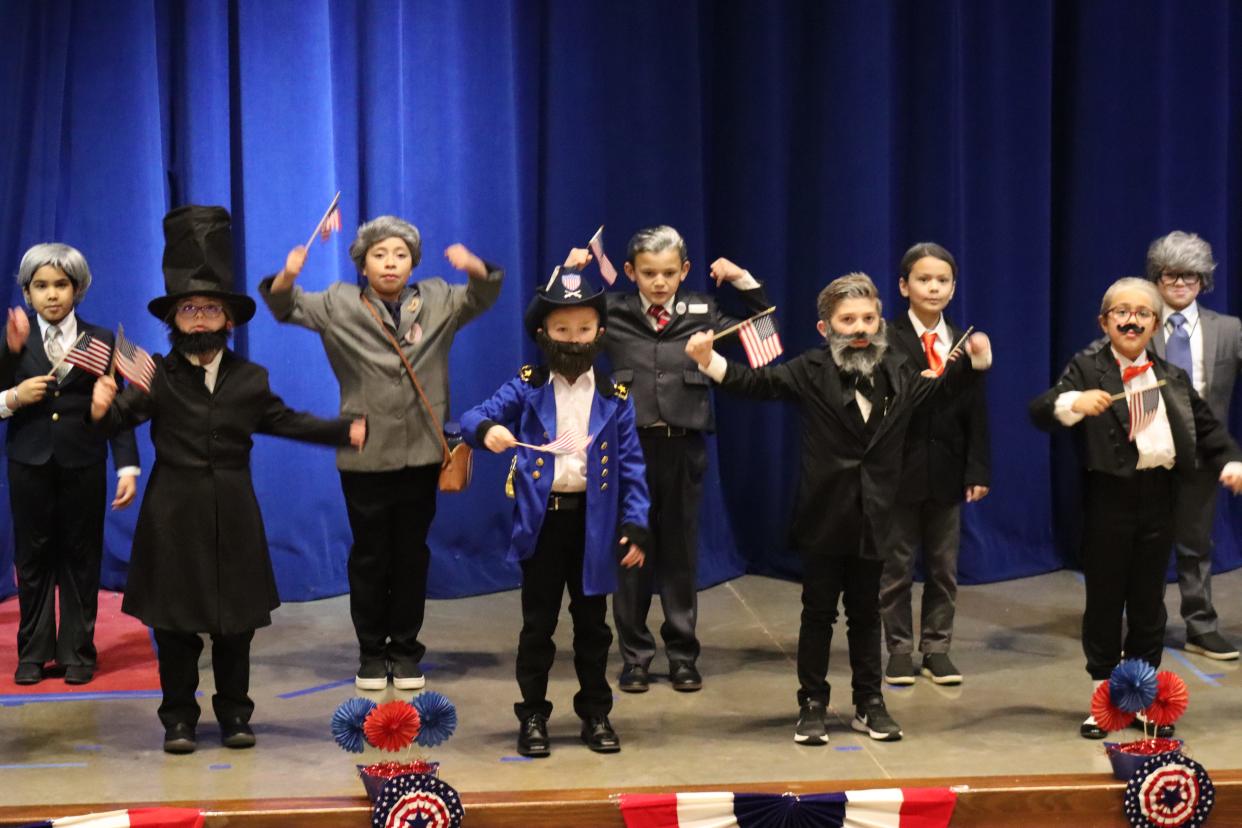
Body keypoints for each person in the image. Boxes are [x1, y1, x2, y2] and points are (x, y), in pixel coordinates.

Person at [91, 205, 364, 754]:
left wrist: (343, 430)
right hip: (172, 513)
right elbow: (119, 420)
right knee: (174, 629)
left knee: (235, 627)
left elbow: (284, 420)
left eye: (209, 310)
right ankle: (179, 720)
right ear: (174, 319)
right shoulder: (157, 376)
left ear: (228, 320)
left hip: (234, 510)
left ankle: (237, 715)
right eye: (188, 309)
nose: (198, 319)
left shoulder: (249, 379)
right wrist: (101, 409)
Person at [685, 272, 991, 745]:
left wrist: (974, 364)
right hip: (825, 514)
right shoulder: (809, 370)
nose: (861, 327)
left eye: (869, 317)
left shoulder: (899, 371)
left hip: (878, 516)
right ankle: (812, 702)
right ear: (826, 328)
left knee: (867, 614)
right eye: (848, 320)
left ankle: (870, 702)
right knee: (818, 613)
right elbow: (756, 382)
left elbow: (940, 393)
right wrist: (710, 363)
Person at [259, 216, 502, 691]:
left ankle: (407, 651)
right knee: (370, 556)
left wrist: (475, 266)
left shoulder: (439, 298)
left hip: (422, 453)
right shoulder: (338, 303)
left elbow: (484, 295)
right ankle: (372, 652)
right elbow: (285, 307)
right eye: (379, 255)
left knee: (411, 555)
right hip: (364, 453)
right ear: (362, 264)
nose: (391, 263)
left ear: (413, 262)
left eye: (400, 255)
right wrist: (288, 274)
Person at [1028, 277, 1242, 739]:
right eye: (1121, 312)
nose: (1131, 319)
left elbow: (1206, 427)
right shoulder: (1087, 366)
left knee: (1148, 605)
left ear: (1155, 324)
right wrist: (1073, 401)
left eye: (1143, 313)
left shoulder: (1171, 376)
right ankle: (1104, 700)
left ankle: (1141, 698)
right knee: (1105, 601)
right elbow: (1040, 410)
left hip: (1160, 498)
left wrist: (1232, 460)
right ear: (1105, 322)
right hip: (1108, 500)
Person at [563, 225, 772, 693]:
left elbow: (764, 321)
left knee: (679, 553)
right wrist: (569, 274)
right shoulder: (611, 310)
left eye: (670, 273)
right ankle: (635, 656)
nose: (660, 282)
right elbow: (554, 322)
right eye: (650, 273)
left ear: (685, 272)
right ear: (631, 271)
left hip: (683, 446)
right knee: (631, 551)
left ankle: (682, 654)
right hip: (627, 450)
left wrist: (741, 278)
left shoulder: (702, 309)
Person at [460, 265, 650, 757]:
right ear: (543, 333)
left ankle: (596, 713)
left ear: (600, 333)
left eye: (584, 329)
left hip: (594, 526)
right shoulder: (527, 387)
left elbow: (632, 469)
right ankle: (534, 717)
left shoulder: (615, 397)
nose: (573, 339)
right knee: (537, 626)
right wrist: (488, 433)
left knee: (593, 627)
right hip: (543, 525)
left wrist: (635, 526)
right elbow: (470, 417)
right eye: (562, 330)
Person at [0, 243, 139, 686]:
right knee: (34, 556)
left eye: (61, 284)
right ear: (27, 292)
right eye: (41, 286)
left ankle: (78, 651)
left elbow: (116, 406)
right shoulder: (11, 341)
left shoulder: (101, 340)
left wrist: (127, 467)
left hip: (83, 462)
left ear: (78, 288)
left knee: (81, 557)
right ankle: (34, 653)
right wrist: (14, 397)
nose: (52, 295)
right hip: (29, 462)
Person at [879, 243, 990, 687]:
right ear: (905, 286)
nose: (934, 287)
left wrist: (977, 469)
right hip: (898, 471)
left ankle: (937, 648)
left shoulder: (963, 340)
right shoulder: (885, 337)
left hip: (946, 471)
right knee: (896, 567)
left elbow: (974, 411)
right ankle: (899, 649)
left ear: (953, 287)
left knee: (943, 567)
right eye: (924, 280)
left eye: (942, 281)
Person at [1144, 231, 1240, 661]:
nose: (1179, 284)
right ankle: (1143, 627)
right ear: (1157, 279)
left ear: (1203, 281)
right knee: (1143, 542)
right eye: (1170, 275)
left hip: (1203, 455)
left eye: (1189, 276)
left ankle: (1201, 626)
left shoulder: (1229, 329)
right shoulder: (1140, 323)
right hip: (1147, 454)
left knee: (1196, 544)